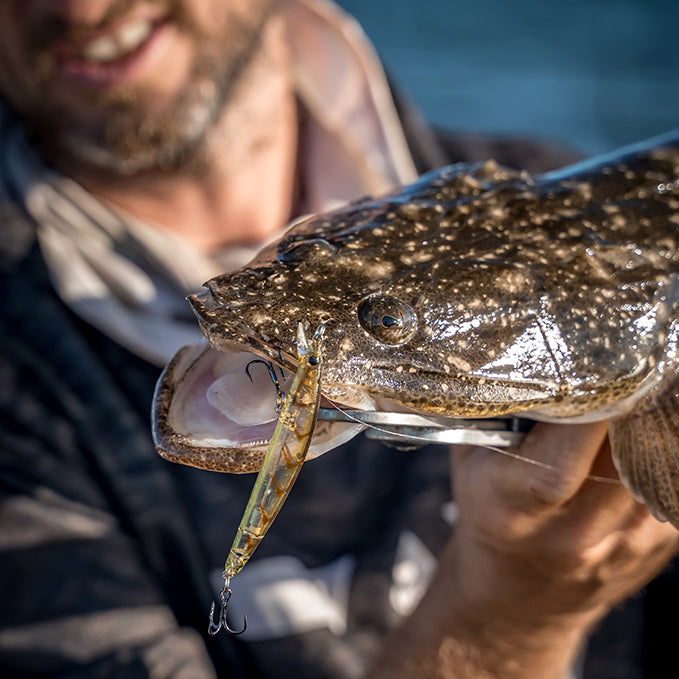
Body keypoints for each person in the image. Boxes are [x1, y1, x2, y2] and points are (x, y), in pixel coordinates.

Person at [0, 1, 677, 677]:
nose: (79, 5)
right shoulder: (20, 384)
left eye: (385, 320)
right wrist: (510, 614)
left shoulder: (544, 172)